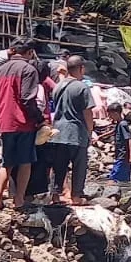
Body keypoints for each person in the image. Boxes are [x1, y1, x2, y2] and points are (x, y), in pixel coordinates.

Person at [0, 40, 41, 209]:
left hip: (5, 121)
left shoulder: (0, 70)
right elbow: (27, 99)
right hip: (22, 122)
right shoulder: (28, 69)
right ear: (30, 52)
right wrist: (39, 119)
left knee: (7, 162)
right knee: (25, 162)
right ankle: (19, 199)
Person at [43, 55, 94, 205]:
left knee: (59, 166)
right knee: (79, 166)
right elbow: (88, 112)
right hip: (76, 131)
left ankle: (55, 195)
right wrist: (90, 132)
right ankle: (76, 196)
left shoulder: (58, 86)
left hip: (58, 131)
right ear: (81, 68)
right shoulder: (82, 87)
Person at [105, 102, 131, 183]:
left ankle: (108, 193)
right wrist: (101, 136)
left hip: (123, 155)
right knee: (124, 179)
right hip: (121, 155)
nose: (109, 116)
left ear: (116, 113)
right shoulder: (119, 124)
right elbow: (114, 131)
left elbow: (129, 139)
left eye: (110, 114)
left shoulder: (123, 124)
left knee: (113, 177)